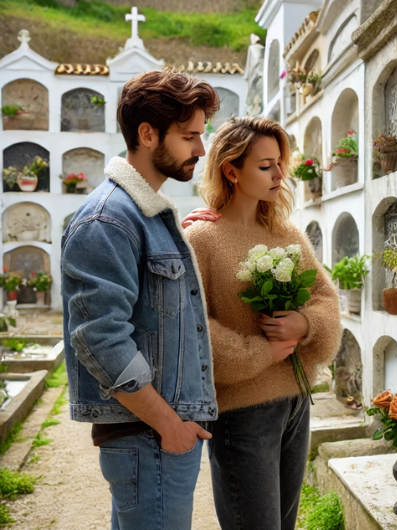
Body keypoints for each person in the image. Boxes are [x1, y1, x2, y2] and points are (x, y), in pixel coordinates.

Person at [61, 69, 220, 530]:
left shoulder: (146, 213)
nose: (201, 149)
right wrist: (169, 425)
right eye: (189, 136)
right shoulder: (108, 220)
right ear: (148, 134)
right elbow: (99, 338)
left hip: (157, 432)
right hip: (150, 433)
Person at [183, 116, 341, 530]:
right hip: (242, 412)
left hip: (296, 402)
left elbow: (326, 298)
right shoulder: (201, 239)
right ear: (231, 171)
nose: (279, 174)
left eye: (279, 163)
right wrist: (262, 351)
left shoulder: (285, 231)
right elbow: (191, 326)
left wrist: (304, 325)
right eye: (265, 165)